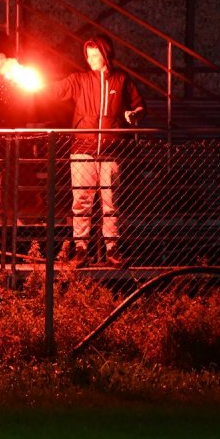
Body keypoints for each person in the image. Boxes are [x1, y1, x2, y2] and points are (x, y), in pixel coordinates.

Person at [51, 35, 146, 268]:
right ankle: (81, 250)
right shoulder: (79, 80)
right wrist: (37, 86)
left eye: (94, 55)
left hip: (111, 149)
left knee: (110, 200)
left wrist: (132, 115)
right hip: (83, 148)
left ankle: (112, 250)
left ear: (106, 55)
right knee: (81, 200)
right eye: (88, 56)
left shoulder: (121, 80)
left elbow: (139, 105)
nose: (90, 60)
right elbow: (55, 90)